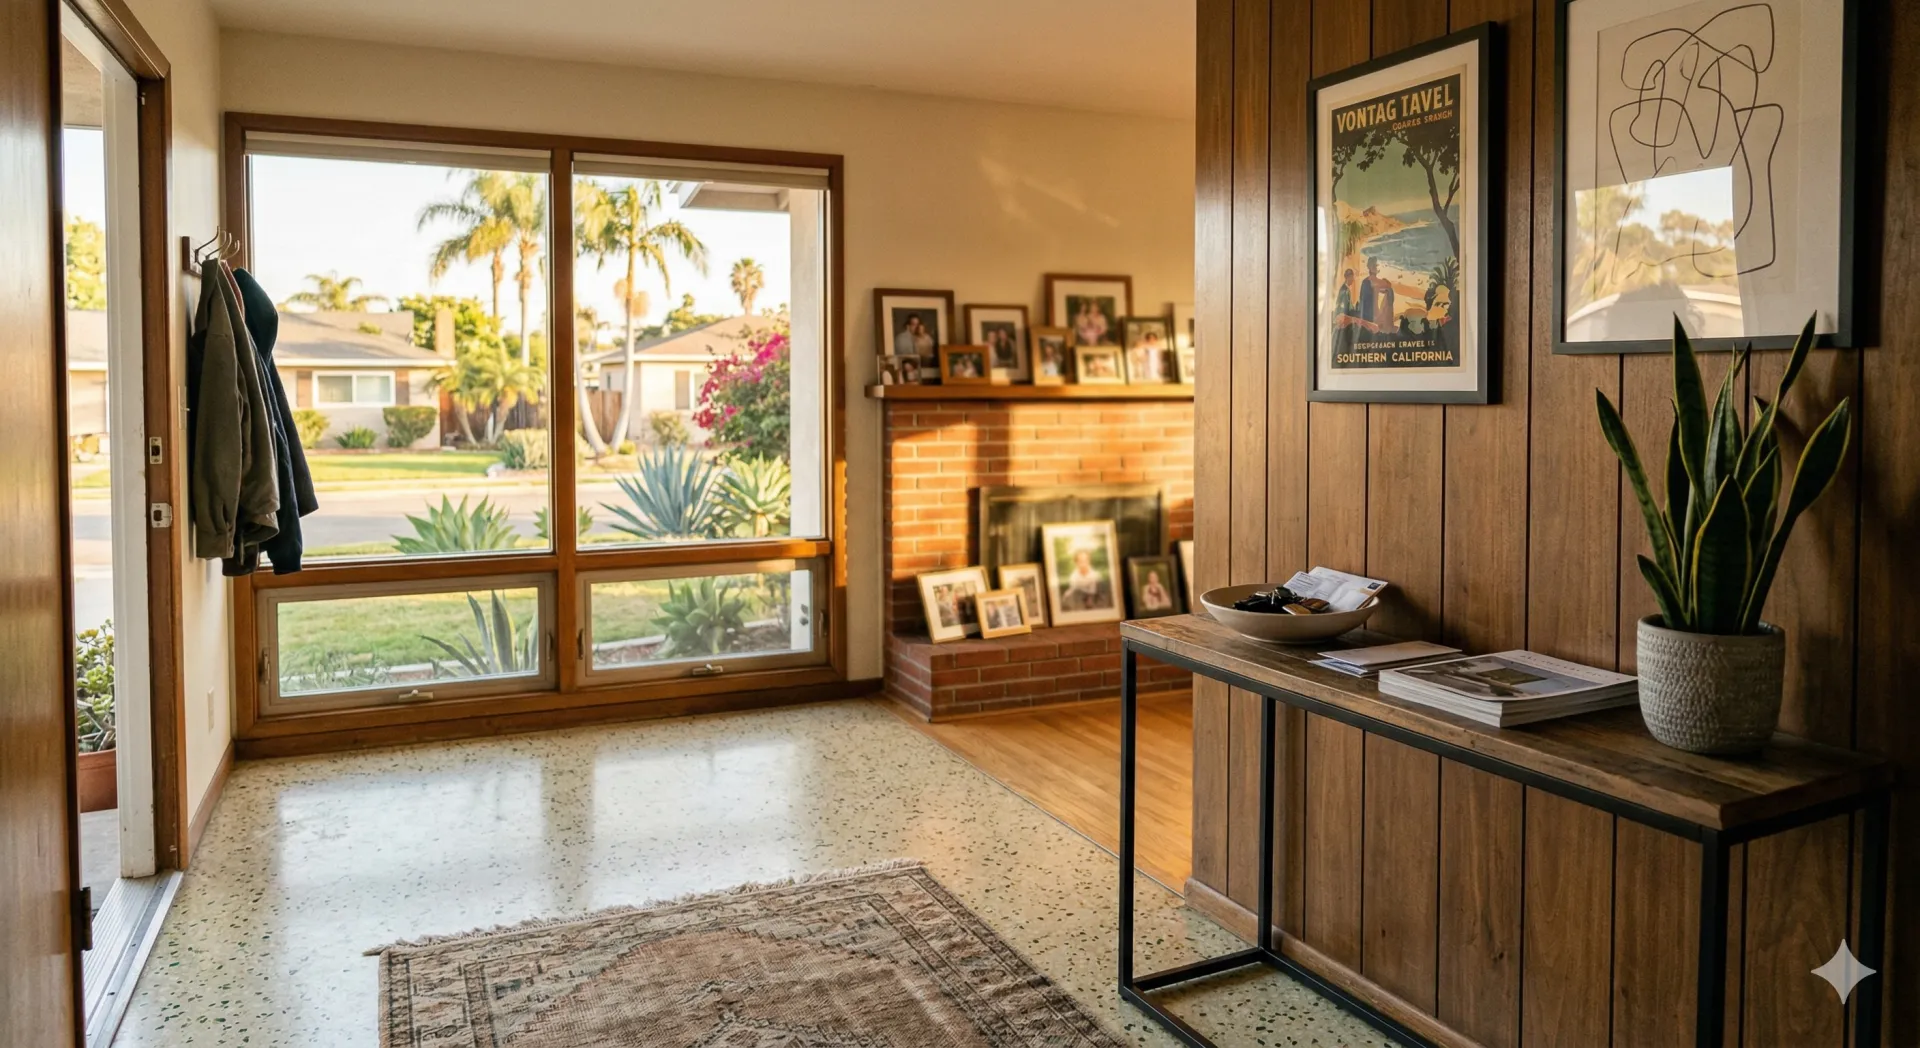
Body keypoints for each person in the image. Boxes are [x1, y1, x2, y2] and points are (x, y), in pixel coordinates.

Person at [1358, 257, 1394, 338]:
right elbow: (1385, 285)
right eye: (1375, 265)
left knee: (1389, 291)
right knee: (1389, 290)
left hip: (1369, 314)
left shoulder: (1367, 281)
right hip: (1371, 316)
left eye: (1376, 265)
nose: (1376, 267)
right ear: (1370, 267)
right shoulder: (1369, 281)